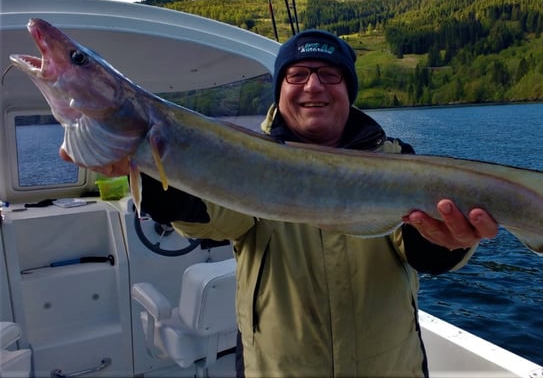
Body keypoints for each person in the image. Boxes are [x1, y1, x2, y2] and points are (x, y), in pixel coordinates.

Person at [61, 29, 498, 377]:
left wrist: (449, 241)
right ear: (280, 88)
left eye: (330, 74)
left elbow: (419, 251)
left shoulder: (398, 162)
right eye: (297, 74)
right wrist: (152, 176)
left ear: (349, 89)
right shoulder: (243, 158)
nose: (314, 85)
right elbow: (216, 215)